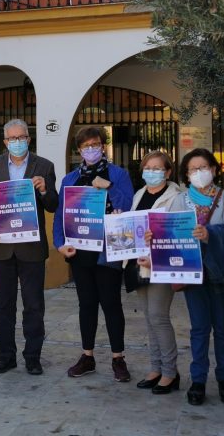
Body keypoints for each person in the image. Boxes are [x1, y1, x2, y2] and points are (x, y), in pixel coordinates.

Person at [53, 127, 135, 382]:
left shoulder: (118, 174)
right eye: (86, 146)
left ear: (103, 146)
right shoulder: (70, 179)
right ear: (79, 150)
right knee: (86, 305)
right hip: (80, 252)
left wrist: (108, 187)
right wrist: (59, 244)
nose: (91, 149)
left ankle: (118, 358)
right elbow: (60, 215)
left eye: (95, 144)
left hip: (108, 251)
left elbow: (128, 204)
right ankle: (87, 356)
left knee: (111, 304)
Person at [0, 118, 58, 375]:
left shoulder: (44, 166)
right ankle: (6, 356)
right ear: (5, 142)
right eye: (11, 138)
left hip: (31, 247)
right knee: (3, 304)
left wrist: (45, 190)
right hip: (2, 246)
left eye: (21, 137)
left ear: (28, 138)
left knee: (33, 304)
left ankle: (33, 357)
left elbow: (52, 205)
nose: (17, 142)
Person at [169, 148, 224, 406]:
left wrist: (210, 234)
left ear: (214, 169)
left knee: (223, 329)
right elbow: (171, 230)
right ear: (186, 175)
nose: (199, 173)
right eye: (193, 169)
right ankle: (198, 379)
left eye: (203, 167)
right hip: (192, 273)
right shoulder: (180, 199)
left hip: (220, 272)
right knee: (199, 329)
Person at [127, 151, 184, 394]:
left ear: (168, 172)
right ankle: (155, 368)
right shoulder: (140, 194)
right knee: (149, 319)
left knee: (159, 317)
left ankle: (170, 373)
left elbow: (179, 232)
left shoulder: (177, 197)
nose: (151, 172)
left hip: (161, 264)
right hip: (140, 263)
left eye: (157, 168)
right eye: (147, 167)